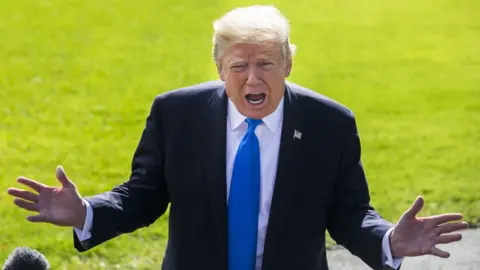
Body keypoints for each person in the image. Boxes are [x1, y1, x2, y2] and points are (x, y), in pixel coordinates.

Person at [7, 5, 468, 270]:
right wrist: (85, 211)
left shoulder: (332, 124)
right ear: (218, 67)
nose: (253, 78)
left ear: (288, 63)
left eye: (266, 63)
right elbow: (143, 196)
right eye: (239, 66)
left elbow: (349, 214)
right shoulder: (177, 114)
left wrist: (388, 241)